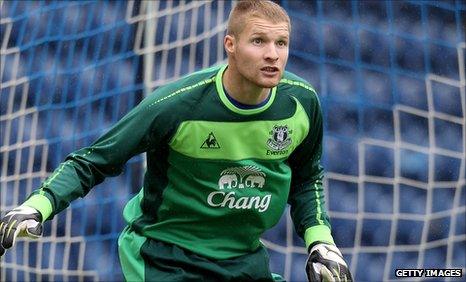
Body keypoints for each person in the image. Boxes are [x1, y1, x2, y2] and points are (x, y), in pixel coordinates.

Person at [0, 1, 352, 281]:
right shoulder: (178, 105)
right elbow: (92, 161)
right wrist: (36, 206)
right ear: (230, 44)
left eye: (281, 43)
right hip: (165, 257)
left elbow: (308, 178)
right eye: (259, 41)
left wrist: (321, 241)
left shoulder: (301, 103)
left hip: (242, 259)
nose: (273, 54)